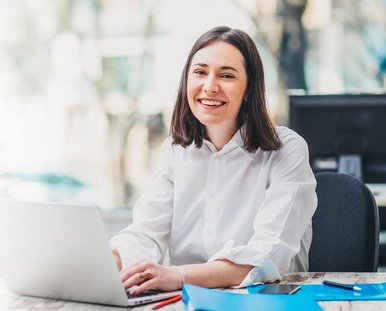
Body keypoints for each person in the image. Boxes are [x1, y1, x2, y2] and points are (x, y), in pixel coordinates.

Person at [109, 25, 317, 296]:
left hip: (266, 300)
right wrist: (113, 264)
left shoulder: (286, 149)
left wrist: (176, 275)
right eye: (200, 72)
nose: (209, 86)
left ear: (249, 89)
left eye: (227, 75)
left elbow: (267, 254)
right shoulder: (175, 149)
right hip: (188, 300)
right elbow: (146, 234)